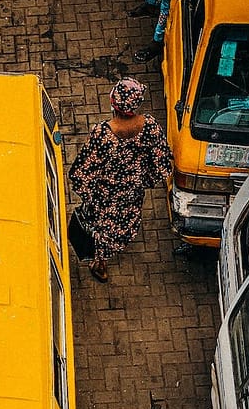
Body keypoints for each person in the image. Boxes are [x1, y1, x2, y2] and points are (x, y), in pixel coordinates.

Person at [67, 78, 172, 283]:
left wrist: (89, 195)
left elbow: (82, 171)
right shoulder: (150, 126)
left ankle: (100, 263)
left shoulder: (102, 134)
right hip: (132, 193)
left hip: (105, 197)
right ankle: (113, 248)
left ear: (113, 102)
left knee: (100, 228)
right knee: (123, 224)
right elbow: (162, 164)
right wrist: (142, 180)